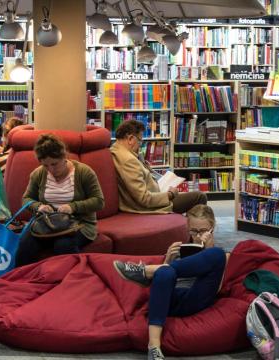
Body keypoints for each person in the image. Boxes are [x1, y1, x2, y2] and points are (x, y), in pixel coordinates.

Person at [112, 204, 228, 360]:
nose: (198, 236)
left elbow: (217, 288)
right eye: (193, 231)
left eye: (203, 231)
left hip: (197, 296)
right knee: (166, 271)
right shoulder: (181, 249)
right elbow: (159, 286)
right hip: (171, 300)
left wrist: (208, 249)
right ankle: (154, 347)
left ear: (212, 228)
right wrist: (167, 260)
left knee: (217, 254)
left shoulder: (220, 254)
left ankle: (146, 271)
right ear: (187, 228)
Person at [15, 134, 105, 266]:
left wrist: (72, 207)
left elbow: (99, 201)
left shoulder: (84, 172)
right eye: (46, 165)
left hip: (78, 223)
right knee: (24, 245)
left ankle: (71, 282)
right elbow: (26, 199)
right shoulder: (38, 174)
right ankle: (22, 282)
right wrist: (39, 206)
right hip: (45, 223)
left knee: (63, 245)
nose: (51, 170)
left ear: (64, 157)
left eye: (54, 164)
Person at [110, 120, 206, 214]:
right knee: (200, 196)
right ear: (130, 139)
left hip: (155, 196)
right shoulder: (129, 160)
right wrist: (170, 194)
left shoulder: (116, 150)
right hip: (151, 206)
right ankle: (196, 228)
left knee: (187, 196)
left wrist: (144, 166)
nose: (140, 146)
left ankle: (189, 226)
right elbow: (144, 199)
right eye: (140, 141)